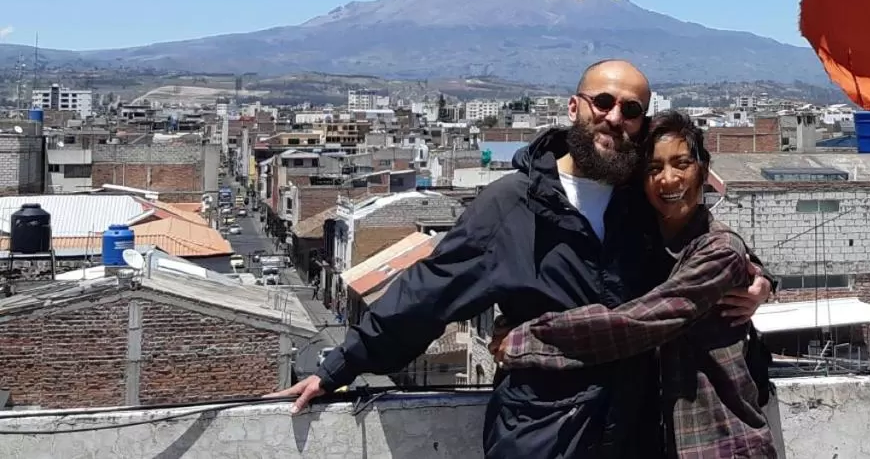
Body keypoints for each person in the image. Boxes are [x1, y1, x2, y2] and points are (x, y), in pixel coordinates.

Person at [268, 59, 772, 459]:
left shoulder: (638, 199)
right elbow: (429, 291)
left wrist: (760, 281)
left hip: (636, 431)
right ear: (574, 107)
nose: (614, 117)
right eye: (603, 102)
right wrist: (338, 367)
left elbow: (705, 245)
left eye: (631, 109)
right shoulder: (512, 204)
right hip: (543, 434)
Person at [490, 109, 777, 458]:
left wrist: (527, 340)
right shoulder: (643, 245)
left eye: (681, 164)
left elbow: (636, 324)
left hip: (720, 445)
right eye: (654, 169)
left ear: (703, 170)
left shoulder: (719, 250)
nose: (668, 180)